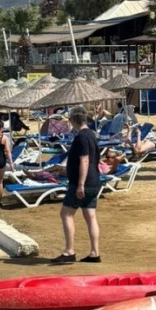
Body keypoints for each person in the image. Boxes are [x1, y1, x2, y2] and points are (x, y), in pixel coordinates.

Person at [55, 106, 101, 263]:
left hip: (83, 183)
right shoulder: (92, 135)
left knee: (66, 214)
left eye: (69, 119)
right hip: (94, 181)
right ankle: (94, 253)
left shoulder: (81, 137)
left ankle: (69, 251)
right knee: (90, 216)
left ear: (74, 120)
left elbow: (85, 160)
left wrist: (80, 184)